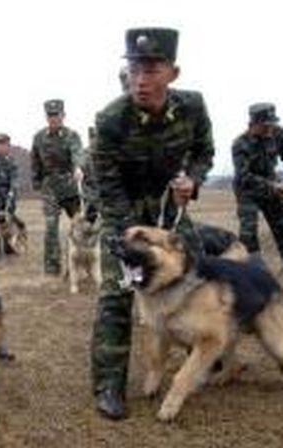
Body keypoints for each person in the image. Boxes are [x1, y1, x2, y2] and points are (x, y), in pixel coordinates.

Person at [90, 27, 214, 420]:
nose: (140, 80)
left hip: (168, 210)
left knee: (197, 276)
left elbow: (204, 151)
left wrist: (191, 180)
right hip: (122, 211)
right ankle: (109, 384)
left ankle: (208, 353)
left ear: (172, 73)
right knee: (117, 294)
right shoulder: (111, 118)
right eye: (134, 70)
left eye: (151, 70)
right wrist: (138, 241)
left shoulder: (192, 106)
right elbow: (106, 182)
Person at [30, 99, 84, 276]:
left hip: (69, 185)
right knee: (51, 226)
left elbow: (77, 153)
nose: (53, 118)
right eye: (50, 115)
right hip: (50, 188)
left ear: (63, 116)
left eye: (57, 115)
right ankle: (52, 267)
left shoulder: (71, 135)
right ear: (46, 117)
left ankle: (81, 265)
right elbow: (35, 161)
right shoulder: (39, 137)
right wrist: (36, 182)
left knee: (79, 226)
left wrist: (78, 167)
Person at [232, 103, 283, 263]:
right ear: (255, 123)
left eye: (272, 123)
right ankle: (254, 270)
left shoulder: (277, 134)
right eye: (266, 125)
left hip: (272, 189)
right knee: (248, 233)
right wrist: (272, 185)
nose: (270, 128)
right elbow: (244, 176)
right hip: (247, 191)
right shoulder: (240, 144)